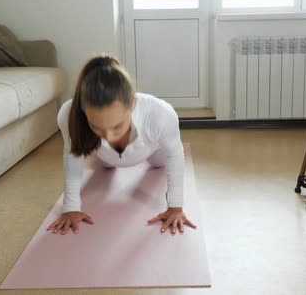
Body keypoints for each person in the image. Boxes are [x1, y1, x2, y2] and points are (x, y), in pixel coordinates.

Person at [47, 55, 196, 236]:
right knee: (107, 164)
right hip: (104, 157)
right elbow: (72, 155)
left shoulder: (161, 114)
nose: (109, 137)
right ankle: (108, 155)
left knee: (159, 164)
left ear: (132, 103)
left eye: (117, 126)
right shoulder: (68, 114)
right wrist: (70, 207)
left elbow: (174, 154)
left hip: (152, 151)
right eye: (96, 126)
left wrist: (175, 206)